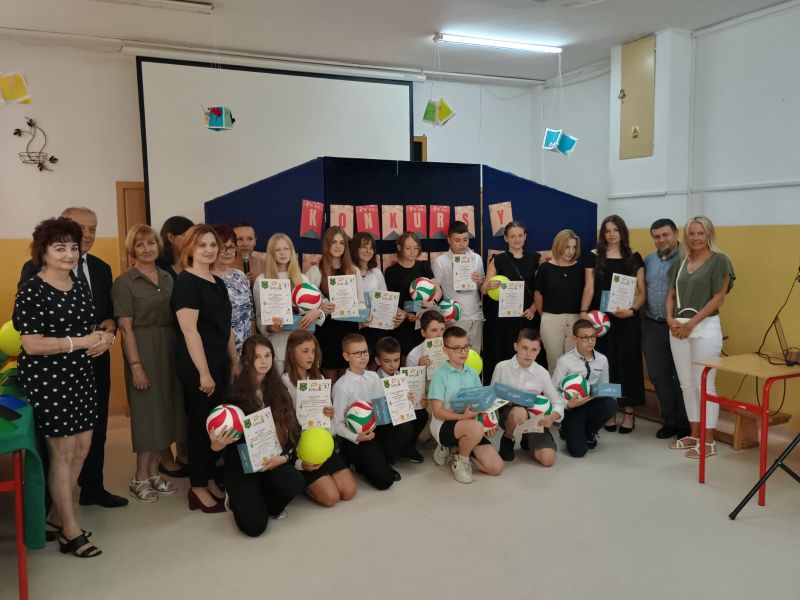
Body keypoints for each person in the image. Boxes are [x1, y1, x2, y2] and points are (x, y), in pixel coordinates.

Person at [14, 217, 115, 557]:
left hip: (81, 374)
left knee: (83, 448)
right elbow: (32, 345)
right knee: (63, 452)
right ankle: (70, 531)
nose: (69, 254)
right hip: (49, 378)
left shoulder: (79, 285)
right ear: (42, 252)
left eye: (73, 247)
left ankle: (57, 516)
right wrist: (80, 342)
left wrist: (104, 338)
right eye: (60, 248)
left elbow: (91, 327)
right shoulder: (32, 289)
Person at [112, 225, 183, 502]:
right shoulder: (124, 283)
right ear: (132, 250)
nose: (146, 249)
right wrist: (136, 366)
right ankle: (139, 477)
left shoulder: (167, 277)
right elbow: (125, 328)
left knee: (165, 411)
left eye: (151, 243)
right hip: (142, 349)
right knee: (147, 415)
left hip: (169, 347)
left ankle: (154, 472)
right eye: (140, 245)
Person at [172, 224, 240, 512]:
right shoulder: (186, 282)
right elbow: (190, 331)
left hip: (219, 359)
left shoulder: (217, 281)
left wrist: (234, 360)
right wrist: (203, 372)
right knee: (201, 424)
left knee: (217, 423)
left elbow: (226, 326)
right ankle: (197, 486)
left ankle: (210, 476)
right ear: (190, 248)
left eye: (213, 245)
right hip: (198, 363)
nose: (210, 250)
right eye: (203, 245)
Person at [210, 335, 305, 536]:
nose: (263, 361)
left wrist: (284, 457)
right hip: (243, 465)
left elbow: (294, 429)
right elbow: (222, 439)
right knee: (254, 527)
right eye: (257, 357)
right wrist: (217, 446)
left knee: (294, 481)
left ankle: (263, 500)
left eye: (267, 355)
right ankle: (240, 497)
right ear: (246, 361)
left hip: (271, 460)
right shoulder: (232, 394)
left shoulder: (280, 391)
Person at [666, 216, 735, 459]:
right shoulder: (681, 262)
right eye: (691, 233)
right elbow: (671, 294)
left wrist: (691, 324)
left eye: (700, 233)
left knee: (704, 384)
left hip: (705, 327)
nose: (695, 238)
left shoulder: (720, 261)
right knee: (686, 384)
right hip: (678, 327)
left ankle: (709, 441)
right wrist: (669, 319)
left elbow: (718, 298)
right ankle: (694, 435)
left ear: (709, 235)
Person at [580, 215, 646, 434]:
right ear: (603, 234)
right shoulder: (593, 257)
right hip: (602, 321)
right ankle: (608, 411)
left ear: (622, 232)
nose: (611, 234)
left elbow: (642, 291)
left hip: (627, 320)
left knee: (628, 365)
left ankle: (629, 412)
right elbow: (589, 288)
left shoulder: (634, 258)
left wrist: (633, 310)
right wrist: (584, 313)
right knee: (605, 365)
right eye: (607, 230)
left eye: (615, 230)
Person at [282, 329, 356, 507]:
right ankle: (303, 479)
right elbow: (285, 426)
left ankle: (323, 475)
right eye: (305, 351)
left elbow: (327, 420)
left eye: (313, 351)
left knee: (349, 491)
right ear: (292, 352)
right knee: (331, 498)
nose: (310, 356)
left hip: (322, 441)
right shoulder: (284, 382)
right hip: (302, 445)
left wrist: (329, 413)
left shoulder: (319, 377)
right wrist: (299, 461)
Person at [332, 333, 414, 490]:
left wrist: (403, 400)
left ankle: (381, 460)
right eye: (357, 353)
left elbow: (384, 405)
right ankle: (358, 460)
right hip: (358, 437)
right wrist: (356, 437)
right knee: (385, 482)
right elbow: (336, 424)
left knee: (405, 427)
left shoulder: (373, 377)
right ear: (346, 356)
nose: (363, 357)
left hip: (377, 428)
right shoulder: (341, 387)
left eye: (365, 352)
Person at [428, 326, 503, 484]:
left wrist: (489, 424)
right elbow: (437, 412)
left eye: (466, 347)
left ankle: (456, 451)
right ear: (445, 350)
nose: (463, 352)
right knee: (475, 427)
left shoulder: (473, 373)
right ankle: (461, 461)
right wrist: (464, 417)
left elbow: (481, 404)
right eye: (456, 348)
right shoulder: (439, 375)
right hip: (444, 425)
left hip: (470, 425)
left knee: (496, 468)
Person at [642, 219, 690, 440]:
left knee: (681, 377)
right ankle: (669, 421)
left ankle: (685, 424)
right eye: (656, 236)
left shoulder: (688, 258)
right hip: (652, 325)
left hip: (679, 327)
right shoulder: (648, 260)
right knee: (659, 376)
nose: (661, 240)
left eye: (665, 235)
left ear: (676, 234)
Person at [490, 329, 564, 466]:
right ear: (516, 347)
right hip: (509, 415)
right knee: (519, 412)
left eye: (533, 350)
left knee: (548, 460)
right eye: (524, 348)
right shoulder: (502, 367)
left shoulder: (542, 373)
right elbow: (491, 397)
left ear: (539, 350)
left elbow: (558, 403)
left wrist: (552, 417)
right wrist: (490, 422)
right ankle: (508, 438)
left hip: (534, 420)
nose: (529, 354)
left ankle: (527, 439)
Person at [254, 233, 324, 375]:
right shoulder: (262, 281)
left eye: (286, 249)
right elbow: (260, 318)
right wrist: (270, 328)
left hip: (302, 345)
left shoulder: (302, 279)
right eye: (277, 250)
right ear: (271, 254)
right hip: (278, 345)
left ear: (292, 251)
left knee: (302, 385)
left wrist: (318, 313)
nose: (282, 253)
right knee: (280, 385)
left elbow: (315, 311)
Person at [481, 221, 540, 381]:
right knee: (504, 354)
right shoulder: (498, 260)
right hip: (504, 318)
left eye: (520, 235)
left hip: (526, 315)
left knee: (527, 353)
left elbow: (540, 289)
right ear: (506, 238)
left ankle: (529, 387)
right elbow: (483, 289)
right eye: (512, 236)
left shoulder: (535, 258)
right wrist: (488, 285)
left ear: (525, 237)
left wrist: (533, 308)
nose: (517, 239)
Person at [306, 226, 365, 381]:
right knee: (329, 378)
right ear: (326, 244)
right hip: (327, 333)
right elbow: (304, 305)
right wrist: (320, 307)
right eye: (334, 242)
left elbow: (360, 302)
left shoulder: (354, 271)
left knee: (349, 379)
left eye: (341, 242)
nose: (338, 246)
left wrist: (364, 317)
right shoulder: (316, 271)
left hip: (349, 331)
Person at [552, 319, 618, 458]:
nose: (590, 341)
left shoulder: (602, 359)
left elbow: (604, 386)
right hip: (572, 407)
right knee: (578, 452)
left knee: (610, 405)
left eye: (593, 337)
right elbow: (553, 391)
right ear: (574, 338)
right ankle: (566, 429)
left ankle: (589, 433)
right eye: (585, 337)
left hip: (591, 402)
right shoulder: (565, 361)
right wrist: (568, 404)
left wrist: (600, 393)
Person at [535, 229, 586, 374]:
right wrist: (547, 316)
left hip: (576, 320)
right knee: (554, 363)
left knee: (574, 363)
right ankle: (554, 389)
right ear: (558, 245)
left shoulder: (581, 268)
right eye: (567, 247)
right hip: (551, 319)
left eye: (574, 247)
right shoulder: (545, 268)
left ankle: (573, 389)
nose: (571, 251)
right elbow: (538, 295)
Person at [384, 231, 441, 359]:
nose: (412, 252)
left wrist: (432, 303)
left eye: (416, 248)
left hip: (425, 323)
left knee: (428, 359)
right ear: (399, 247)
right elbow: (390, 302)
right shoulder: (391, 272)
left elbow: (438, 290)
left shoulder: (424, 266)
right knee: (407, 361)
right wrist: (405, 315)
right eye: (408, 248)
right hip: (403, 326)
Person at [432, 221, 485, 352]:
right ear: (449, 240)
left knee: (474, 358)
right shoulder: (440, 261)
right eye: (457, 240)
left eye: (465, 240)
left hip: (475, 316)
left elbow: (483, 288)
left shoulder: (476, 258)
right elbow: (435, 290)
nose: (462, 244)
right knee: (454, 357)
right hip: (454, 318)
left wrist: (479, 281)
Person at [374, 336, 428, 463]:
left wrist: (419, 402)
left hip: (402, 414)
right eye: (387, 361)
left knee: (422, 414)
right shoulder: (374, 379)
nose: (392, 365)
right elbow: (376, 413)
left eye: (396, 360)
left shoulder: (404, 376)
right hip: (383, 422)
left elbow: (413, 400)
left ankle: (408, 448)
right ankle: (387, 455)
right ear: (378, 360)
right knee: (405, 426)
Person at [350, 232, 403, 355]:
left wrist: (397, 311)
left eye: (371, 248)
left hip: (376, 326)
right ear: (355, 249)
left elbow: (386, 298)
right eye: (364, 247)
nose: (368, 251)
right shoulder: (349, 271)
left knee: (376, 357)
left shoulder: (377, 272)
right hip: (355, 326)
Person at [211, 224, 254, 354]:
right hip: (219, 349)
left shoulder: (240, 276)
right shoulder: (206, 278)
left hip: (246, 348)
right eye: (223, 247)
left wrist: (252, 345)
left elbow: (250, 315)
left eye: (232, 246)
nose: (228, 252)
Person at [231, 219, 266, 285]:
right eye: (240, 239)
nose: (245, 244)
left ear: (255, 241)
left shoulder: (265, 264)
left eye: (250, 239)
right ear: (232, 241)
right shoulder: (225, 266)